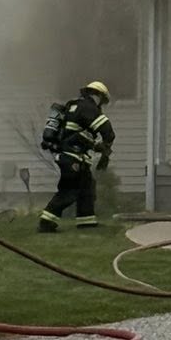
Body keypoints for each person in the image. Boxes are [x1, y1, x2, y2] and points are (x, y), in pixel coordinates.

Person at [38, 79, 115, 232]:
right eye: (102, 100)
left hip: (75, 157)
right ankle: (46, 222)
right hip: (72, 158)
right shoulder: (88, 107)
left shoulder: (73, 106)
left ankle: (87, 223)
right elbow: (107, 130)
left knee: (86, 189)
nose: (101, 105)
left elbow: (78, 135)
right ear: (98, 95)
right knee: (69, 191)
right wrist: (107, 146)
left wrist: (97, 147)